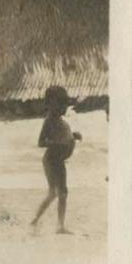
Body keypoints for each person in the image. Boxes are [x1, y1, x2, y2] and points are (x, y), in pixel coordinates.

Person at [30, 85, 82, 234]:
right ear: (50, 105)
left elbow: (63, 135)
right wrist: (58, 143)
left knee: (55, 193)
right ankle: (57, 225)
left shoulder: (59, 120)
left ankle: (38, 220)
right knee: (60, 193)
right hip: (52, 159)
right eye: (59, 104)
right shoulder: (49, 121)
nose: (63, 107)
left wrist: (73, 136)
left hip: (57, 160)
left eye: (64, 104)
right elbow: (41, 142)